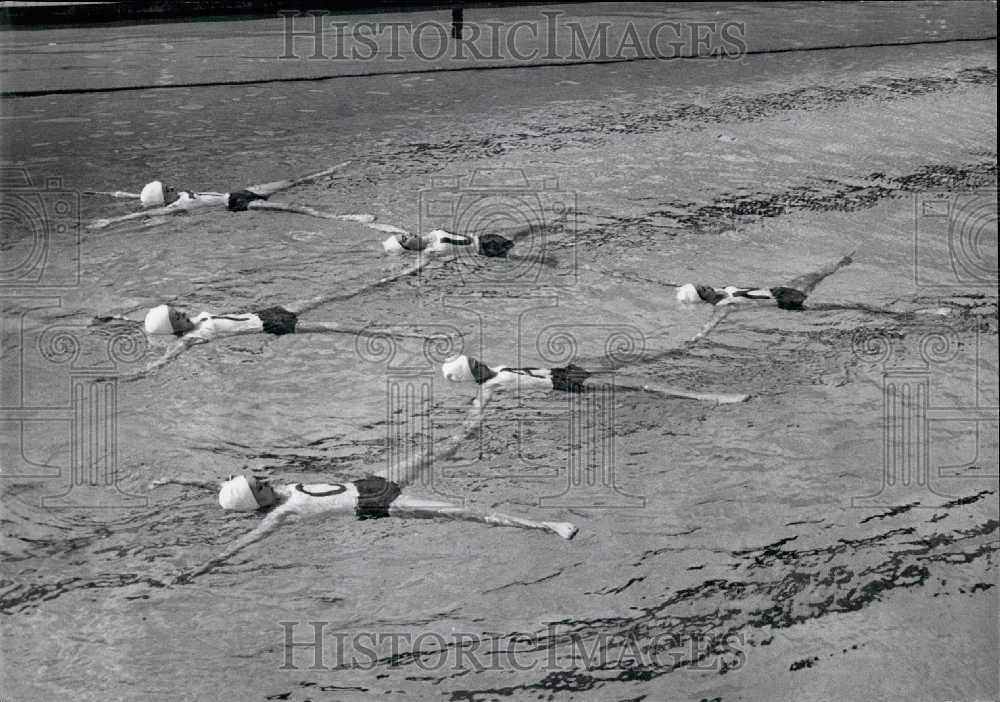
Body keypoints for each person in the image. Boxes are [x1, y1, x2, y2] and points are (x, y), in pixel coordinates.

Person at [157, 394, 578, 583]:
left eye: (257, 478)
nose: (265, 479)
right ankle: (545, 526)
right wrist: (205, 566)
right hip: (376, 504)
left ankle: (482, 402)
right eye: (259, 486)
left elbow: (219, 484)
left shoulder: (279, 490)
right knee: (460, 511)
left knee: (442, 448)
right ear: (256, 502)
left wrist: (177, 480)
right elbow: (247, 541)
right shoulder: (279, 514)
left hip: (370, 482)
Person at [105, 257, 435, 379]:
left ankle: (397, 275)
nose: (179, 310)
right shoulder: (191, 338)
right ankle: (412, 336)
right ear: (173, 327)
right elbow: (167, 357)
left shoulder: (195, 321)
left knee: (340, 292)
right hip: (273, 325)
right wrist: (135, 375)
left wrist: (116, 319)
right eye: (174, 315)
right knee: (344, 329)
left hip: (265, 313)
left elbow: (147, 325)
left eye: (174, 309)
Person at [86, 162, 375, 230]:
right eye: (167, 189)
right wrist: (110, 222)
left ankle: (328, 172)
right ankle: (347, 217)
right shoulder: (178, 207)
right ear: (166, 198)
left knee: (292, 181)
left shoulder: (178, 196)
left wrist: (115, 193)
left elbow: (142, 201)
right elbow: (147, 212)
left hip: (237, 192)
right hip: (238, 205)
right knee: (295, 208)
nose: (172, 186)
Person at [440, 354, 749, 404]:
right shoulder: (489, 387)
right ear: (470, 374)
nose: (478, 360)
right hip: (567, 384)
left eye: (473, 358)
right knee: (639, 384)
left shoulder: (495, 369)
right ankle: (709, 398)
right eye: (472, 364)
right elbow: (479, 408)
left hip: (564, 371)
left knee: (628, 365)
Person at [675, 253, 854, 310]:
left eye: (701, 285)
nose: (706, 286)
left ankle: (848, 258)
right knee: (840, 303)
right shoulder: (724, 305)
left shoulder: (719, 291)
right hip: (786, 300)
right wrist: (697, 338)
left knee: (818, 275)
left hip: (778, 291)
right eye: (702, 290)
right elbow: (714, 322)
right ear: (702, 298)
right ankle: (876, 310)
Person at [381, 229, 516, 258]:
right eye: (404, 239)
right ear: (407, 248)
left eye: (404, 234)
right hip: (487, 250)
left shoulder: (429, 234)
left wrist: (369, 223)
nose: (408, 234)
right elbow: (415, 268)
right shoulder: (430, 252)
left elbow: (393, 228)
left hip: (486, 237)